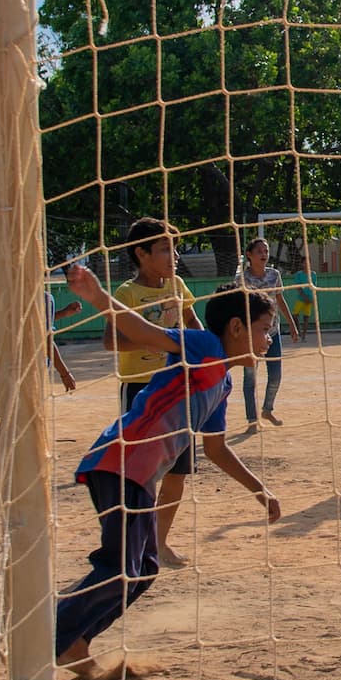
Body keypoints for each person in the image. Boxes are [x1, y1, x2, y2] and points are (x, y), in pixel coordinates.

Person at [53, 262, 282, 680]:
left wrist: (259, 490)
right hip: (118, 461)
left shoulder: (222, 384)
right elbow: (144, 333)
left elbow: (215, 448)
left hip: (138, 475)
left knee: (143, 570)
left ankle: (76, 638)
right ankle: (50, 632)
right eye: (264, 329)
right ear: (235, 327)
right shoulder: (204, 346)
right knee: (122, 564)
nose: (269, 340)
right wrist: (98, 297)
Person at [104, 217, 202, 567]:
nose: (172, 255)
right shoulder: (127, 294)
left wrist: (205, 354)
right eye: (164, 249)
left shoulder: (176, 284)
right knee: (140, 472)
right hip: (141, 390)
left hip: (177, 388)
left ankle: (159, 542)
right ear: (141, 254)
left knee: (178, 471)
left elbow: (193, 324)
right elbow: (109, 340)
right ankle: (132, 544)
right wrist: (153, 336)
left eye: (173, 248)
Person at [0, 289, 82, 506]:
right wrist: (64, 372)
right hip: (22, 373)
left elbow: (33, 323)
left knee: (11, 428)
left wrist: (62, 313)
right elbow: (43, 337)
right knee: (17, 430)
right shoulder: (38, 294)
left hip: (11, 370)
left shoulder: (21, 292)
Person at [233, 237, 301, 431]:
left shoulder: (274, 275)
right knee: (250, 378)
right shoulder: (241, 280)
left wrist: (292, 325)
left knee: (276, 375)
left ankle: (267, 409)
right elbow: (236, 305)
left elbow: (280, 299)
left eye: (266, 251)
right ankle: (252, 420)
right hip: (250, 336)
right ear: (249, 255)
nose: (264, 254)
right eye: (259, 251)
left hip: (273, 332)